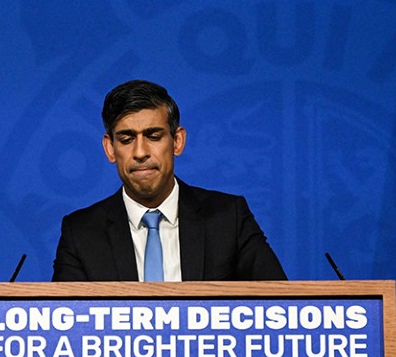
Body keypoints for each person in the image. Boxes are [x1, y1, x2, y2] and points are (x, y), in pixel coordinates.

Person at [52, 79, 286, 282]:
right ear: (109, 148)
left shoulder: (228, 218)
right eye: (126, 139)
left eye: (154, 136)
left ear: (177, 141)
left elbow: (281, 307)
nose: (141, 152)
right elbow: (66, 325)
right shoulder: (81, 233)